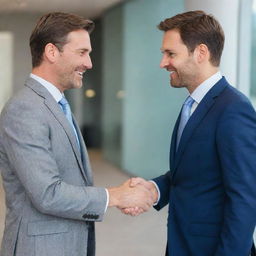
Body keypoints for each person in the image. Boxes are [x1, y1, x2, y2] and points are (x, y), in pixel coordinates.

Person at [0, 12, 154, 256]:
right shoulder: (24, 109)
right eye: (82, 52)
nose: (89, 63)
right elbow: (48, 194)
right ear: (51, 52)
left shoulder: (56, 103)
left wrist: (120, 195)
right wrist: (115, 196)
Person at [124, 10, 256, 256]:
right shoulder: (193, 105)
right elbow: (195, 173)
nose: (163, 62)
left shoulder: (233, 109)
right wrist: (155, 189)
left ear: (201, 53)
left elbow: (245, 200)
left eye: (170, 53)